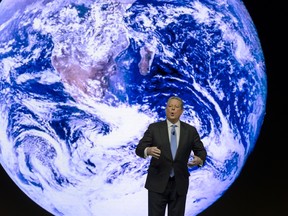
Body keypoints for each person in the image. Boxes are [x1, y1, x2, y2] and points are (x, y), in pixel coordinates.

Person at [135, 96, 207, 216]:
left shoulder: (190, 131)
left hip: (179, 184)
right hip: (157, 183)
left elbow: (201, 151)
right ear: (166, 109)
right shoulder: (154, 128)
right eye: (170, 106)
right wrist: (148, 150)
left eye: (176, 107)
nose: (172, 109)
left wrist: (199, 159)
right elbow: (139, 149)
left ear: (181, 111)